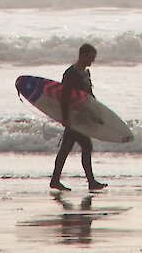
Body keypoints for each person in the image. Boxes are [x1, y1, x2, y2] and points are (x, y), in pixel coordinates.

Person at [50, 43, 107, 191]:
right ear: (83, 55)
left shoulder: (86, 74)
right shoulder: (70, 74)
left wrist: (97, 111)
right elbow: (64, 97)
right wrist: (66, 117)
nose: (92, 61)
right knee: (84, 146)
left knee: (66, 149)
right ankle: (90, 182)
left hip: (82, 117)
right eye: (91, 58)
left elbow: (89, 96)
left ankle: (55, 180)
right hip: (73, 117)